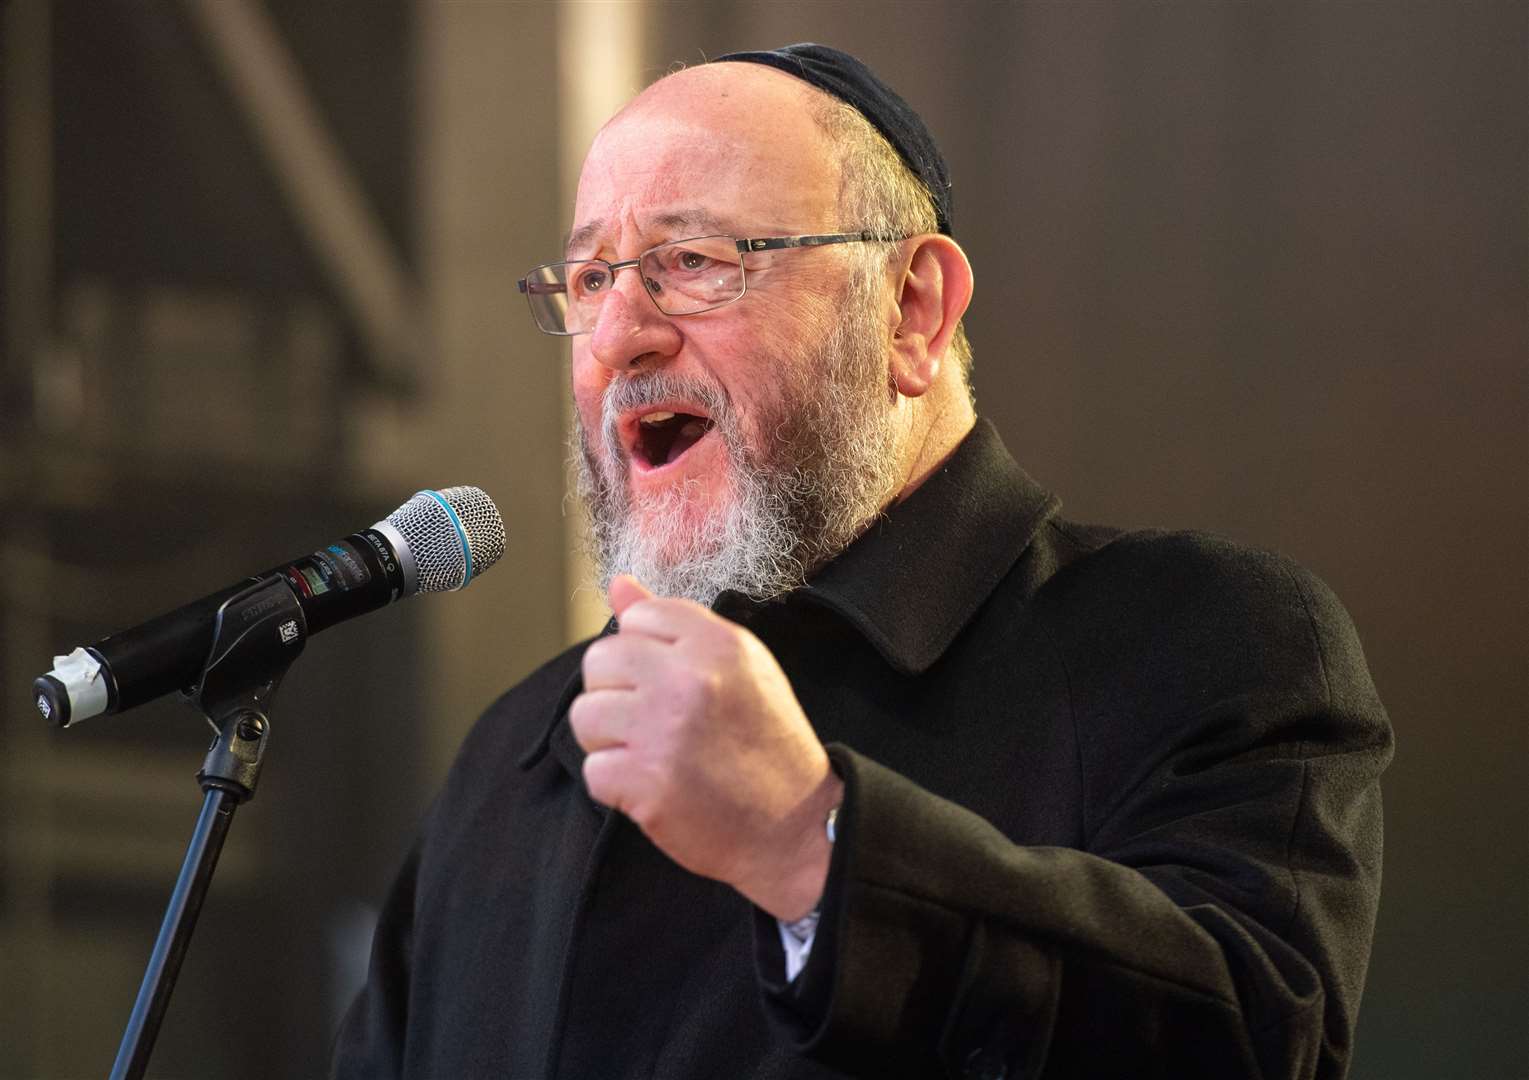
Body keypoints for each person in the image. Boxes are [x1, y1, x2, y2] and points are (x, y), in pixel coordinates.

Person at [332, 44, 1391, 1080]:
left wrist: (809, 844)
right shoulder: (513, 757)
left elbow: (1252, 1043)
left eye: (693, 262)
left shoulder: (1197, 640)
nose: (615, 337)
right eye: (592, 277)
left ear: (909, 310)